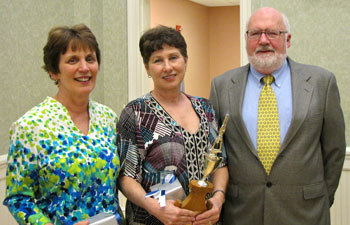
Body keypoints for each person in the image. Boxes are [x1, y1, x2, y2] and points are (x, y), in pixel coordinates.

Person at [210, 7, 346, 225]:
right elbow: (217, 152)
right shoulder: (222, 85)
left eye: (272, 33)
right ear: (246, 40)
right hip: (242, 212)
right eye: (255, 33)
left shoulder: (321, 82)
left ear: (288, 39)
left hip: (305, 212)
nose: (263, 40)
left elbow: (335, 150)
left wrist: (320, 198)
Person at [3, 24, 123, 225]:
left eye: (90, 59)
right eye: (72, 60)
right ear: (53, 71)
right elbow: (18, 200)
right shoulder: (30, 127)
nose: (84, 68)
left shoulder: (108, 118)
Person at [117, 25, 228, 225]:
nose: (167, 67)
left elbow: (220, 164)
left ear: (185, 61)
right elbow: (127, 177)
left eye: (173, 57)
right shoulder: (136, 113)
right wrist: (156, 208)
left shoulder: (205, 108)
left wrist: (218, 199)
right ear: (147, 68)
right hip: (155, 220)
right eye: (158, 60)